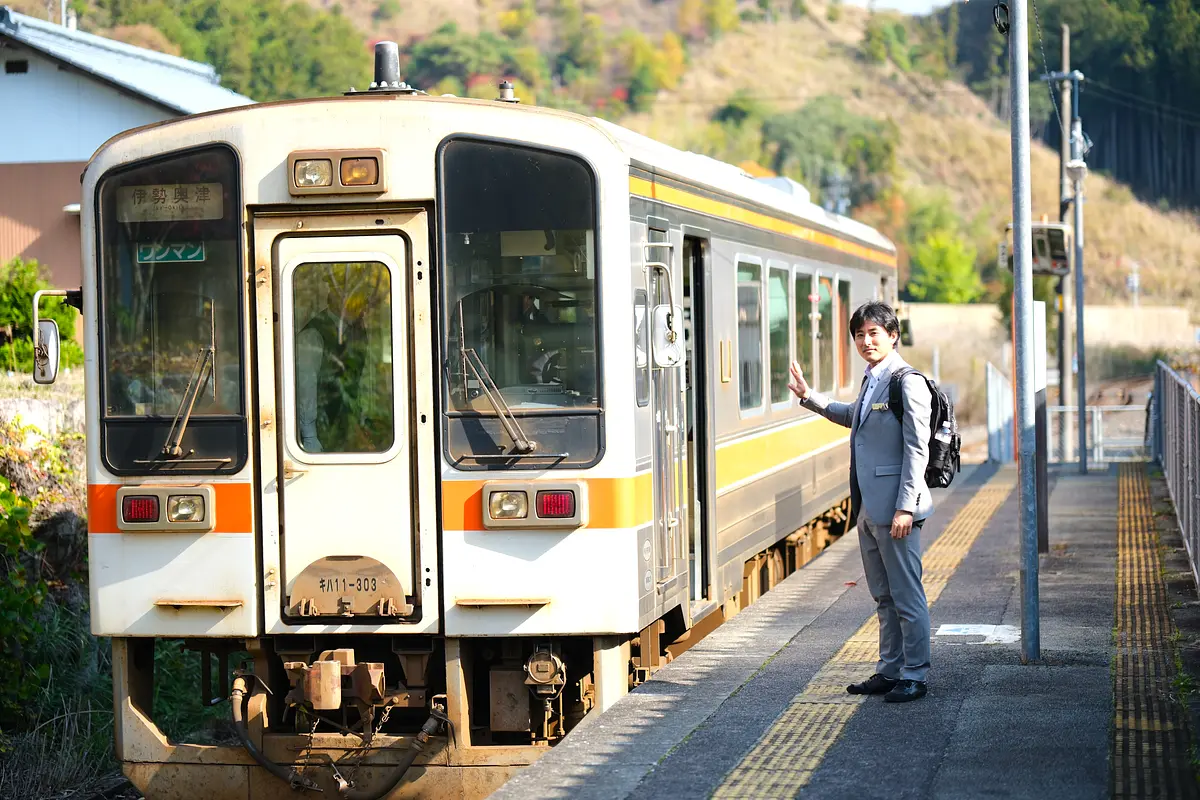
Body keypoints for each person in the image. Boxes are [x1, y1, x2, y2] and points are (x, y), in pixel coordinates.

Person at [787, 301, 933, 703]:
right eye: (859, 335)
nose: (866, 341)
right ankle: (890, 670)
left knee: (907, 595)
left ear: (893, 335)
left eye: (874, 333)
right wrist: (810, 397)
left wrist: (906, 506)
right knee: (883, 596)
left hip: (896, 509)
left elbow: (916, 449)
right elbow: (854, 415)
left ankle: (916, 674)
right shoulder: (873, 378)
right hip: (870, 507)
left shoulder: (907, 382)